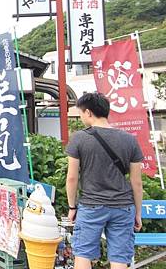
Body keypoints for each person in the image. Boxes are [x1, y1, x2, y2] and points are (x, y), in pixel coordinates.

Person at [65, 92, 143, 269]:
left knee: (83, 254)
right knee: (119, 257)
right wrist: (137, 213)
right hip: (123, 206)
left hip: (91, 205)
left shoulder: (79, 138)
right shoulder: (129, 140)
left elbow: (72, 177)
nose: (82, 117)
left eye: (81, 113)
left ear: (89, 113)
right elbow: (136, 183)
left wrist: (72, 207)